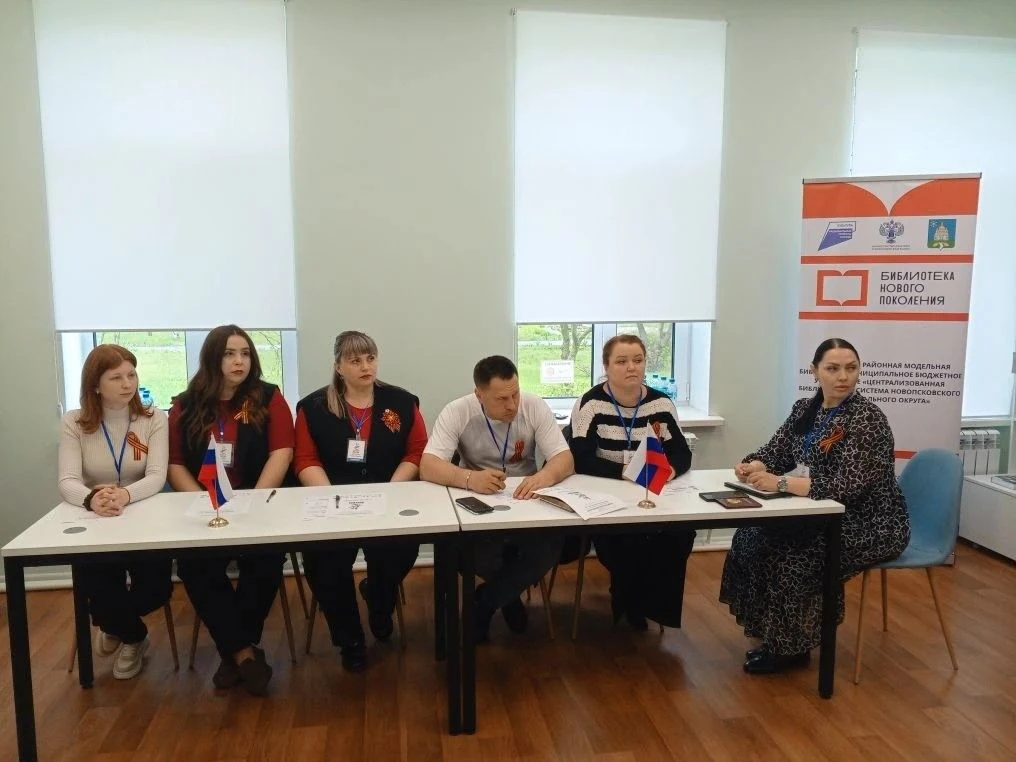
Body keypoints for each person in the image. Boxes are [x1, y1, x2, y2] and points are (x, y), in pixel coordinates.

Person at [720, 337, 910, 674]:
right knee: (750, 536)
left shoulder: (867, 419)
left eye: (851, 368)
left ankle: (792, 647)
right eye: (833, 368)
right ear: (815, 371)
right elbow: (775, 452)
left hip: (869, 523)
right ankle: (774, 634)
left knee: (790, 554)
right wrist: (753, 465)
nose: (843, 377)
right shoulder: (805, 409)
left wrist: (781, 483)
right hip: (821, 512)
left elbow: (847, 487)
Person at [167, 325, 294, 695]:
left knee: (266, 561)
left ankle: (234, 652)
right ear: (212, 358)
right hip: (206, 510)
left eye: (245, 353)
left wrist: (253, 502)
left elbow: (282, 452)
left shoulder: (268, 397)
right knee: (195, 566)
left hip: (258, 506)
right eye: (229, 353)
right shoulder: (185, 404)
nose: (239, 361)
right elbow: (175, 464)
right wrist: (204, 504)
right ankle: (244, 653)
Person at [294, 331, 429, 671]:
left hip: (389, 498)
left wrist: (391, 490)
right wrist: (332, 498)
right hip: (334, 502)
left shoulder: (402, 401)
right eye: (355, 361)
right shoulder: (313, 407)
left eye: (370, 358)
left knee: (401, 550)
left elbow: (417, 451)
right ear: (338, 367)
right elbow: (306, 459)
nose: (366, 367)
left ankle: (380, 602)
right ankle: (350, 640)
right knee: (324, 563)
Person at [420, 355, 574, 641]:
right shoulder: (458, 411)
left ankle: (488, 600)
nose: (512, 405)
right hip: (479, 500)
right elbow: (428, 465)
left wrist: (543, 477)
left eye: (515, 394)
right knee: (473, 551)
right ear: (479, 394)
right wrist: (469, 478)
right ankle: (508, 595)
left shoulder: (533, 406)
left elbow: (564, 458)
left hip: (525, 499)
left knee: (551, 545)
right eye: (502, 399)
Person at [57, 344, 171, 680]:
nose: (128, 383)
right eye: (116, 377)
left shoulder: (153, 418)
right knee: (97, 580)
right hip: (97, 517)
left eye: (132, 375)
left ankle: (114, 624)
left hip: (143, 514)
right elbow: (67, 480)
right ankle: (133, 636)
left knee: (156, 589)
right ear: (95, 384)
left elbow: (157, 475)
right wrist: (92, 498)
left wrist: (125, 494)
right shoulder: (74, 422)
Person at [569, 334, 695, 630]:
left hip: (650, 490)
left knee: (680, 534)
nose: (631, 368)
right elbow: (581, 458)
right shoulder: (590, 403)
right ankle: (628, 600)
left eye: (638, 360)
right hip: (607, 493)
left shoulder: (661, 404)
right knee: (626, 539)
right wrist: (625, 471)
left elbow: (681, 452)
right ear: (606, 366)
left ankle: (651, 604)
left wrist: (670, 470)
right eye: (622, 361)